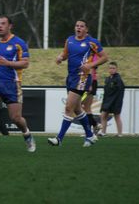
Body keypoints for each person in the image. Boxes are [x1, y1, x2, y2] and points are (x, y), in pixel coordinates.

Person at [48, 19, 108, 147]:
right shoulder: (69, 40)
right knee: (77, 109)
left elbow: (104, 57)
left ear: (86, 29)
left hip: (83, 77)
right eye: (77, 26)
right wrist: (60, 58)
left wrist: (91, 65)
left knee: (69, 107)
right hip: (71, 77)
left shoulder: (92, 42)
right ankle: (90, 135)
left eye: (81, 26)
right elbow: (65, 54)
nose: (78, 28)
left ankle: (59, 139)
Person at [0, 15, 36, 153]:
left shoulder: (19, 43)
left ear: (10, 26)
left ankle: (27, 134)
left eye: (3, 24)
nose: (0, 26)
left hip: (13, 84)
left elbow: (25, 63)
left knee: (16, 118)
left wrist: (8, 63)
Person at [98, 61, 125, 137]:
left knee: (117, 116)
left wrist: (117, 102)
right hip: (107, 101)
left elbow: (120, 92)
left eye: (113, 68)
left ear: (116, 69)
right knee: (103, 116)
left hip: (116, 101)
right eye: (110, 68)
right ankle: (103, 132)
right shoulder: (107, 79)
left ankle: (120, 134)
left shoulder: (118, 79)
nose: (111, 70)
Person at [81, 54, 101, 134]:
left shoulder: (93, 55)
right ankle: (91, 128)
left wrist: (90, 84)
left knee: (80, 106)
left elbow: (92, 69)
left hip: (90, 82)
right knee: (86, 108)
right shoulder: (87, 53)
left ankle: (94, 125)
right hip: (85, 81)